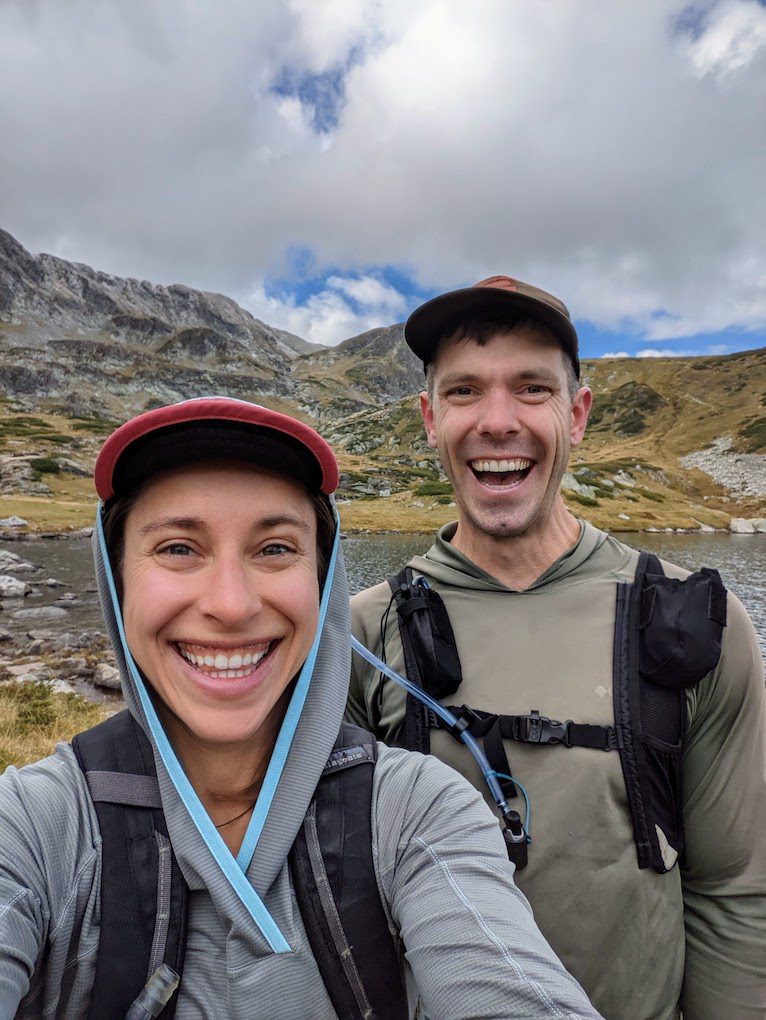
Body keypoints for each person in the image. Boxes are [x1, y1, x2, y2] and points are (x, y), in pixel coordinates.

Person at [0, 396, 602, 1020]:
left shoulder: (418, 812)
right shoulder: (34, 825)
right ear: (117, 578)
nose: (231, 605)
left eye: (276, 549)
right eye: (179, 548)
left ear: (323, 578)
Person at [348, 277, 766, 1020]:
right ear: (429, 418)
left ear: (577, 416)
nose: (497, 421)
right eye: (466, 391)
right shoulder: (363, 636)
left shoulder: (699, 624)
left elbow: (736, 892)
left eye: (532, 389)